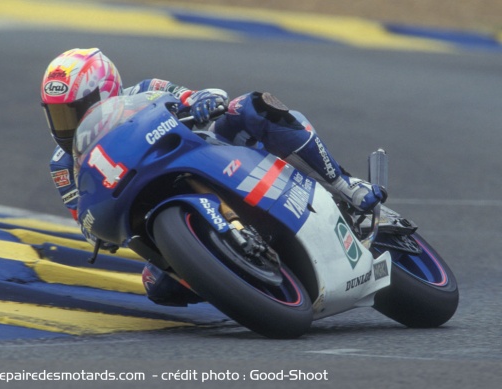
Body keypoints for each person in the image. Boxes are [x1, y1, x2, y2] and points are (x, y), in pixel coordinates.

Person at [41, 48, 386, 306]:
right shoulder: (63, 165)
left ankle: (344, 185)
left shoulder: (142, 91)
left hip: (210, 153)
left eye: (73, 111)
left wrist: (203, 101)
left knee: (253, 106)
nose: (65, 124)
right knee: (159, 289)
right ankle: (238, 279)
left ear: (105, 91)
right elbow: (86, 221)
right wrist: (96, 227)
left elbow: (198, 96)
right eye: (56, 114)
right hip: (147, 209)